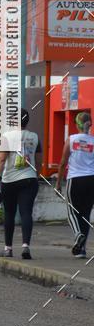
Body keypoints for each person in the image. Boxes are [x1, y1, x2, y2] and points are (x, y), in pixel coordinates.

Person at [0, 109, 41, 259]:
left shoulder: (7, 137)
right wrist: (36, 175)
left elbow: (1, 159)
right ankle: (26, 247)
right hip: (29, 179)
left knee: (9, 214)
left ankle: (8, 249)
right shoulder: (34, 137)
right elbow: (39, 160)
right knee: (26, 212)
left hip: (10, 181)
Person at [57, 110, 94, 258]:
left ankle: (78, 235)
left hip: (75, 179)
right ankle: (81, 250)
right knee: (85, 214)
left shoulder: (71, 140)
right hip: (91, 180)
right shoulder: (93, 141)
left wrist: (58, 183)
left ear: (77, 124)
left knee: (72, 211)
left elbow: (62, 163)